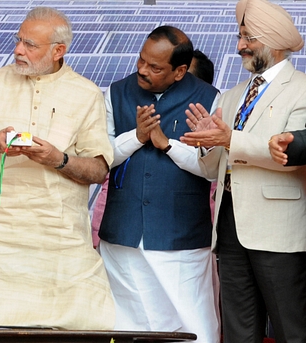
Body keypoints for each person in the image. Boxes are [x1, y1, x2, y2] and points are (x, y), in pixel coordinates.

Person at [0, 7, 115, 330]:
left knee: (81, 319)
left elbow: (98, 170)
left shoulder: (86, 93)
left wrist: (58, 159)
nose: (18, 50)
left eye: (30, 45)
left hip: (57, 235)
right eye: (18, 41)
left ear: (58, 51)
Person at [182, 0, 306, 341]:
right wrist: (208, 143)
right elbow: (214, 169)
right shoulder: (233, 94)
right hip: (230, 226)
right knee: (238, 330)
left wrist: (229, 138)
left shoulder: (302, 90)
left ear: (274, 40)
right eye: (240, 37)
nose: (239, 47)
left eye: (248, 38)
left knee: (290, 329)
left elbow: (288, 152)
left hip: (278, 232)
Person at [98, 26, 220, 343]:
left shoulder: (209, 98)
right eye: (141, 60)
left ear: (180, 71)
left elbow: (213, 170)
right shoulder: (115, 93)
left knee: (194, 327)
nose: (142, 70)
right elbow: (99, 158)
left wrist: (168, 145)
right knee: (124, 327)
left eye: (155, 67)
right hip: (124, 237)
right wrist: (136, 138)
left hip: (182, 239)